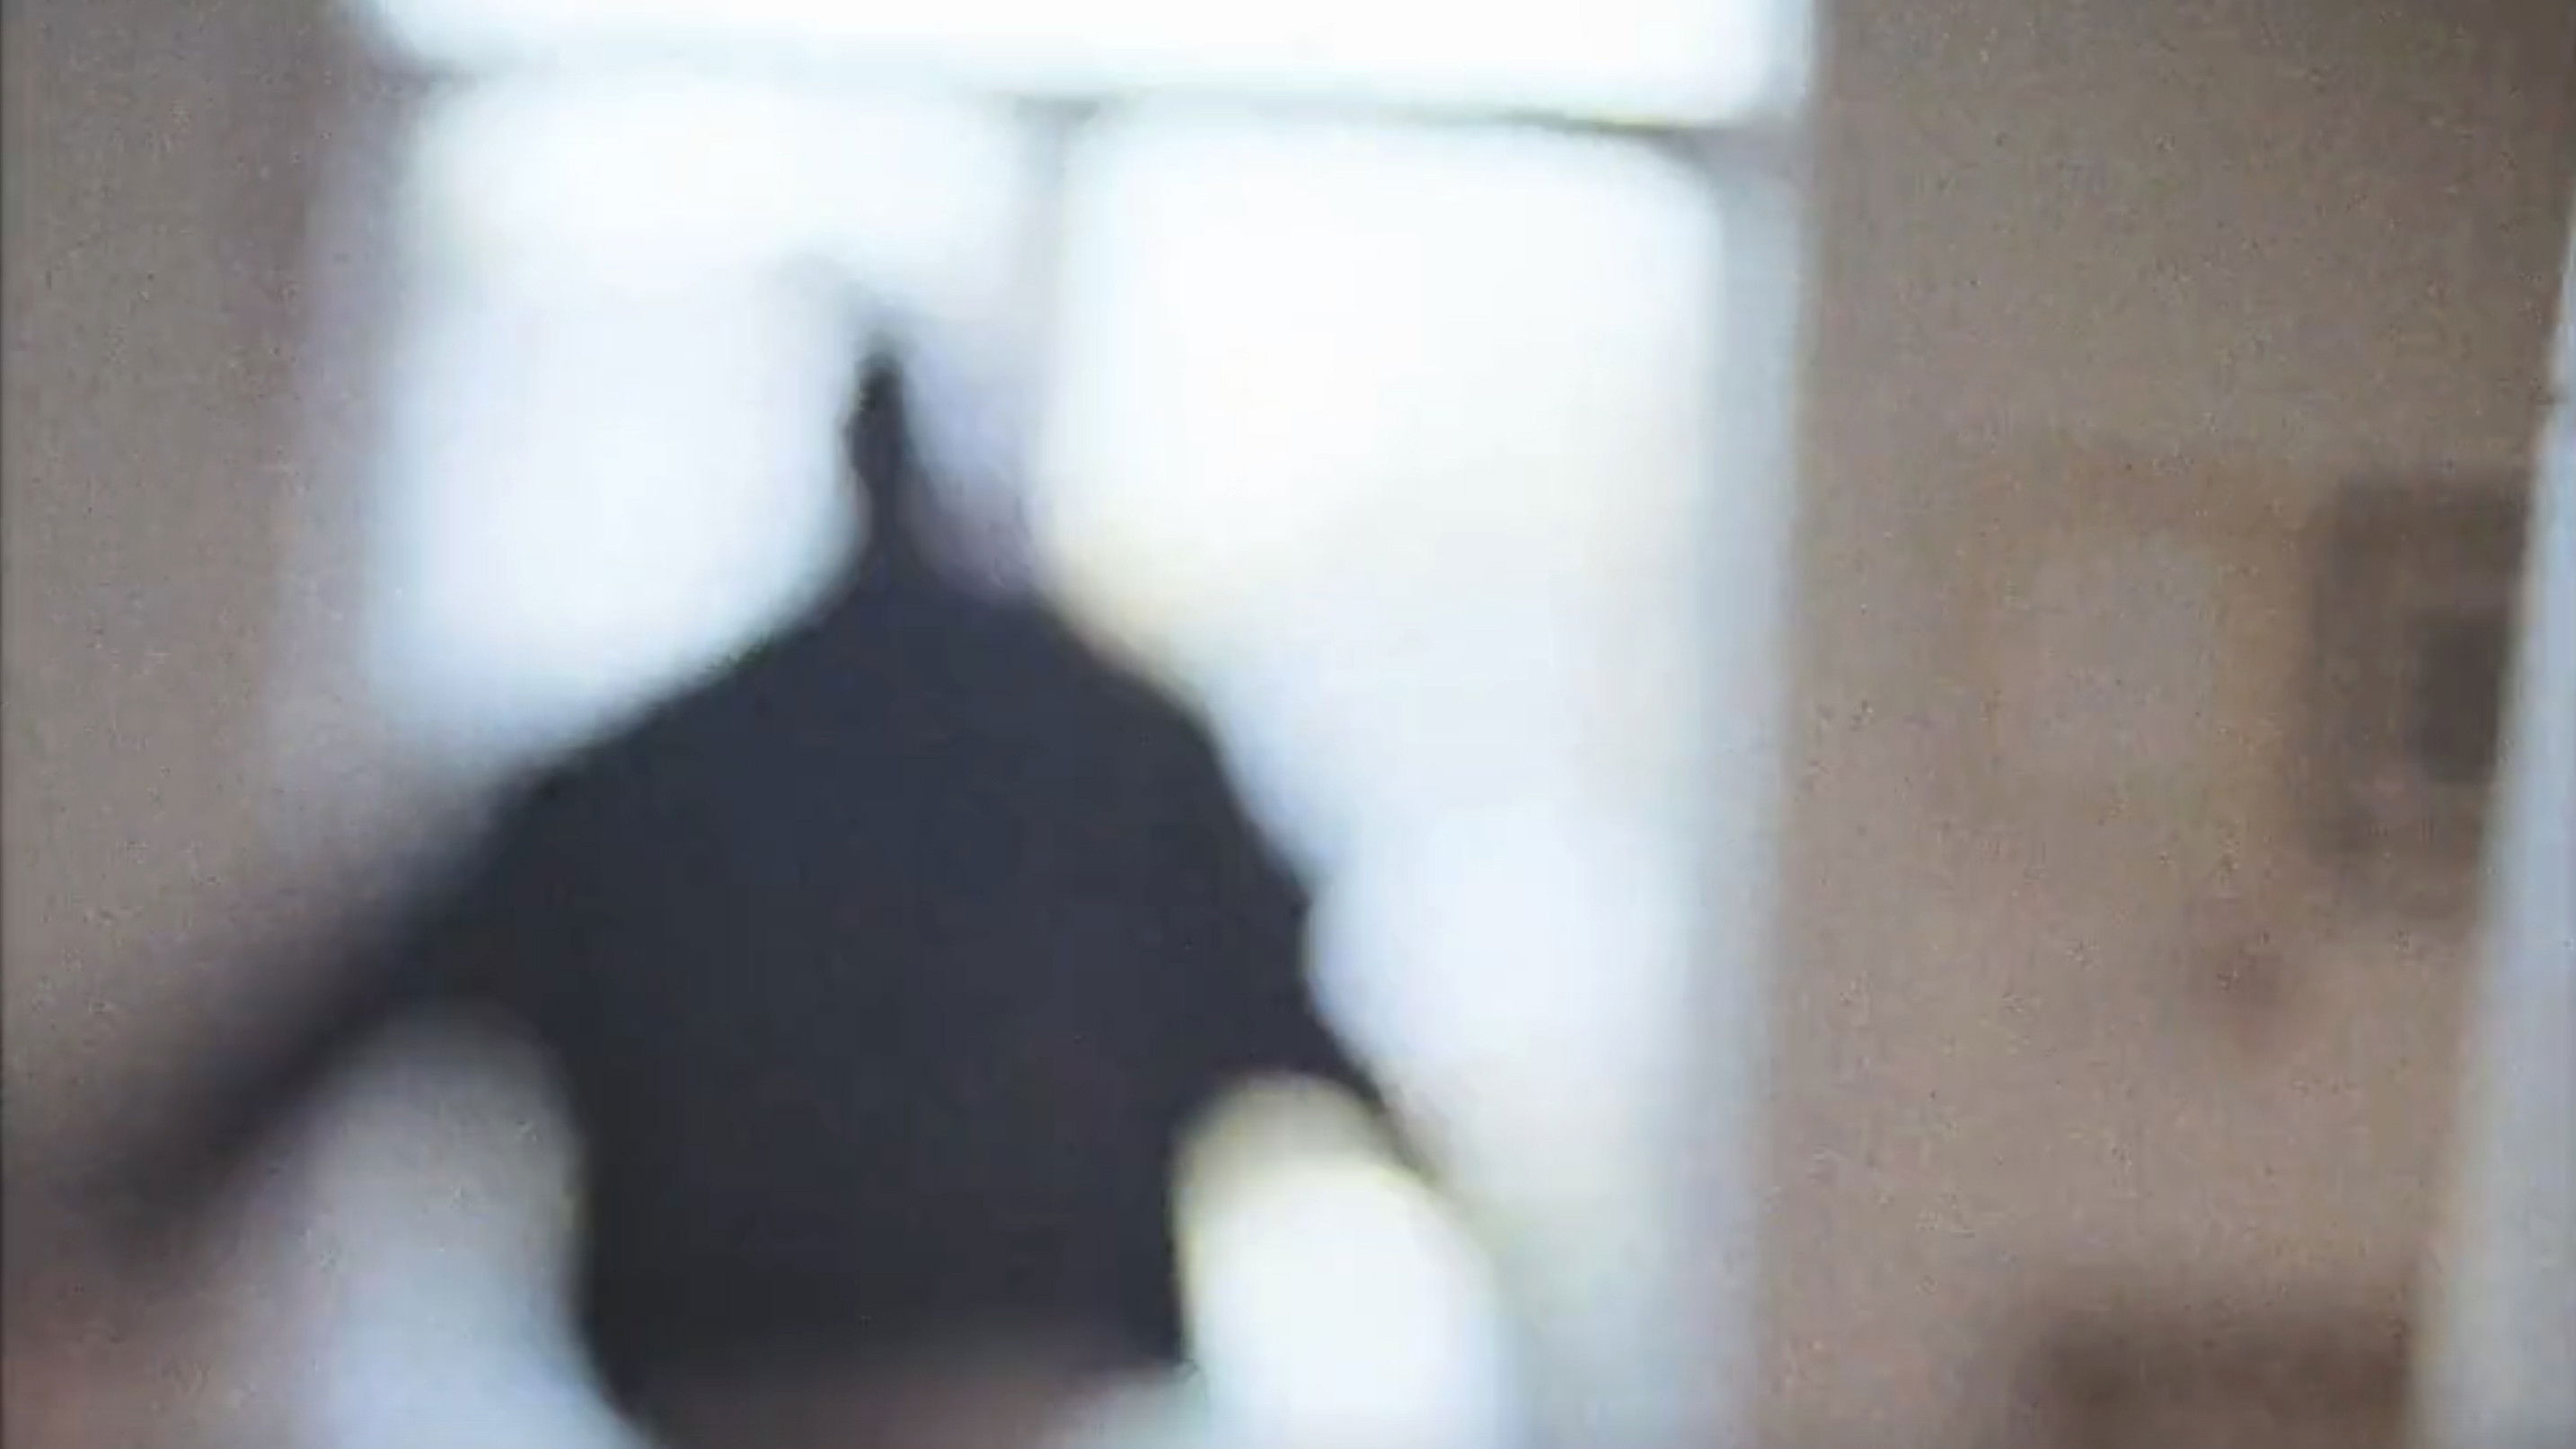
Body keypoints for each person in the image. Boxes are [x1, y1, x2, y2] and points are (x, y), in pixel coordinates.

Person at [64, 341, 1397, 1448]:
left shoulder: (664, 768)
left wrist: (123, 1206)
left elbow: (366, 985)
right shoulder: (1122, 759)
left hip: (754, 1356)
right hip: (974, 1350)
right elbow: (1287, 995)